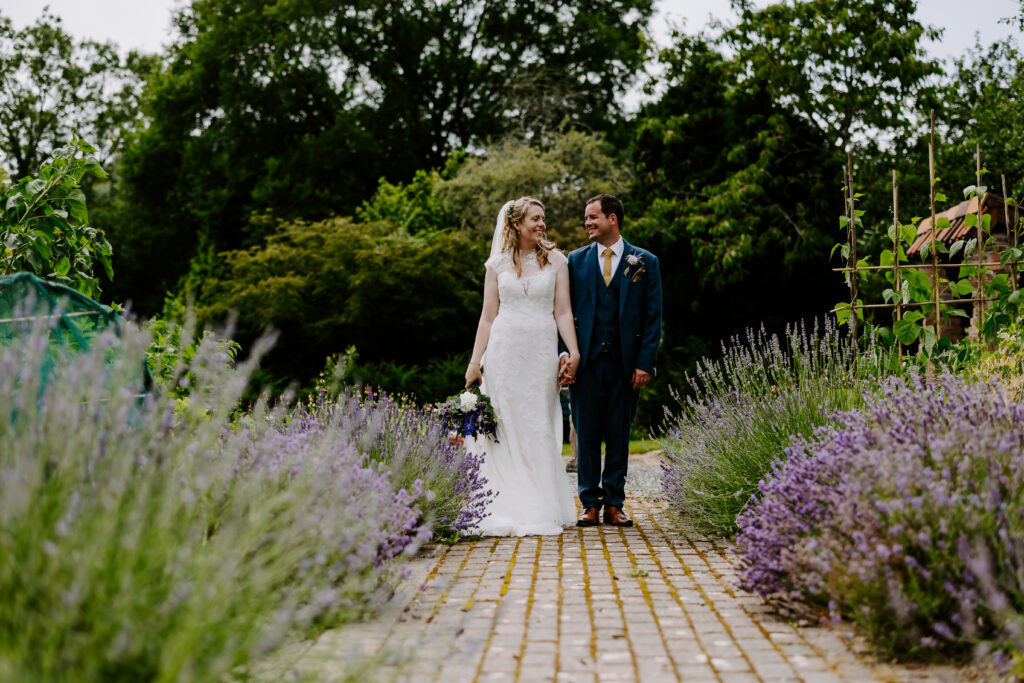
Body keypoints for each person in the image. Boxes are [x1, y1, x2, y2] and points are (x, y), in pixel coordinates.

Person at [463, 197, 581, 536]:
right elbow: (487, 318)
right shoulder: (496, 265)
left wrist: (573, 351)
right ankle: (504, 500)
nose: (542, 224)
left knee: (537, 423)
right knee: (504, 423)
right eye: (535, 218)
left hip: (541, 354)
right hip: (502, 353)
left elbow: (562, 312)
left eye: (543, 218)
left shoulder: (557, 261)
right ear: (516, 224)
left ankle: (543, 499)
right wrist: (475, 362)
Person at [559, 193, 662, 527]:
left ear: (612, 219)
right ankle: (589, 503)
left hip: (625, 364)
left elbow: (652, 317)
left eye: (593, 217)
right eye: (586, 218)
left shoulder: (645, 261)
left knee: (619, 433)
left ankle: (615, 503)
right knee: (586, 433)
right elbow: (562, 312)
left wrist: (645, 363)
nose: (587, 223)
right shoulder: (574, 260)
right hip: (585, 362)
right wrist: (565, 355)